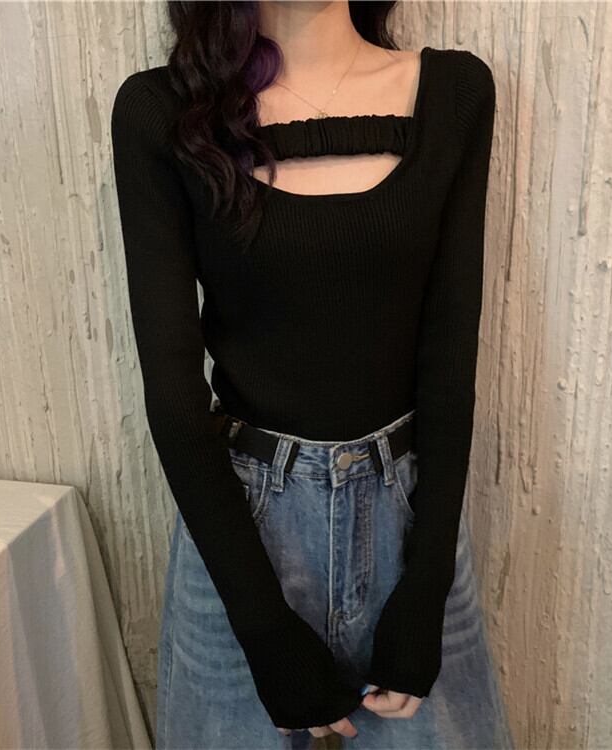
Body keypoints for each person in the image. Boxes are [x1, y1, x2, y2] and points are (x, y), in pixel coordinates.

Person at [111, 1, 512, 747]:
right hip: (239, 527)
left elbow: (451, 354)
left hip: (409, 517)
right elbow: (173, 395)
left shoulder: (455, 94)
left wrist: (428, 583)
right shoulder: (161, 111)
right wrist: (262, 626)